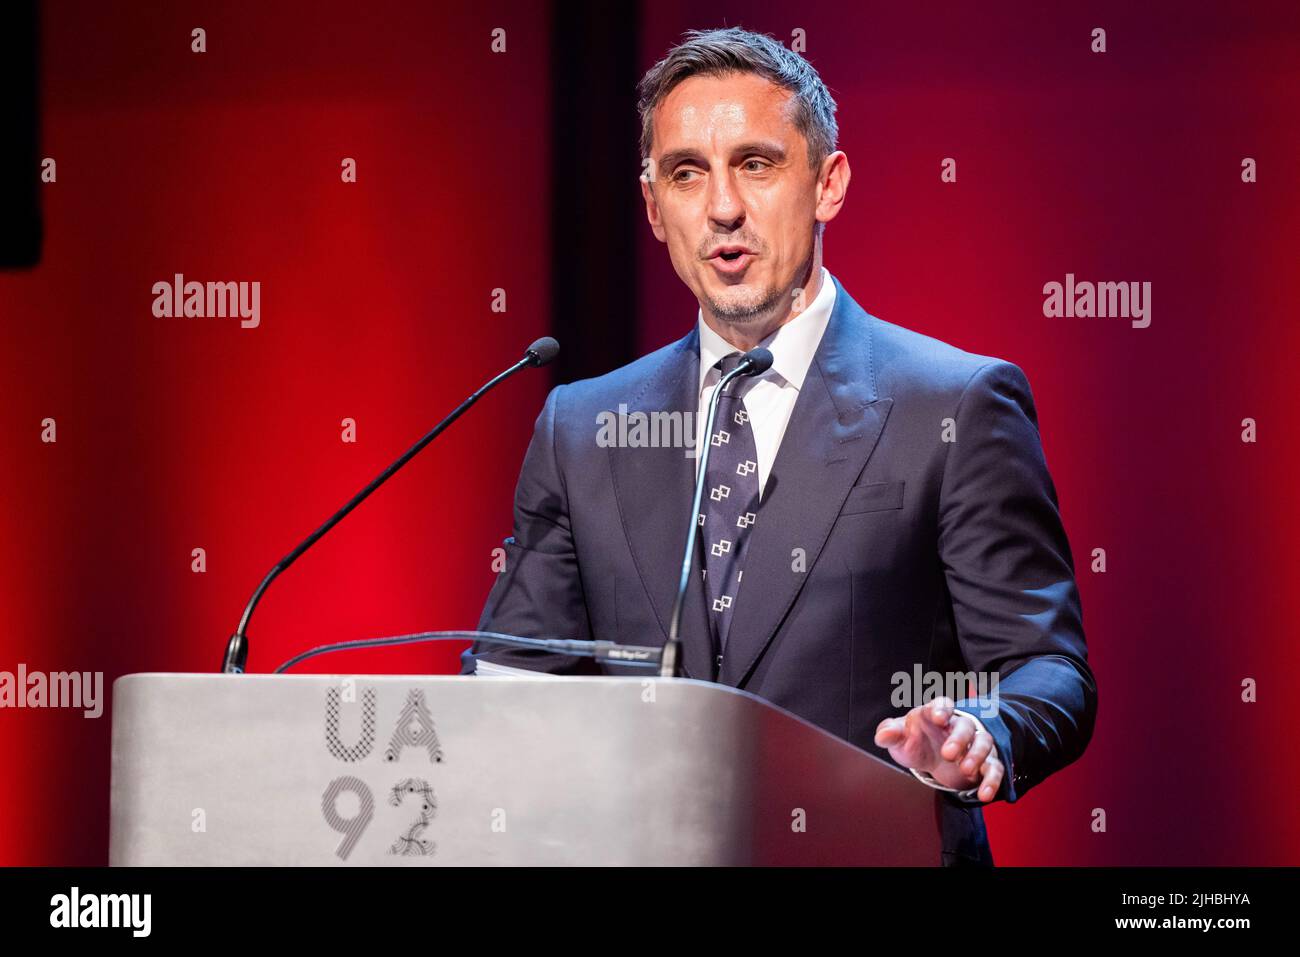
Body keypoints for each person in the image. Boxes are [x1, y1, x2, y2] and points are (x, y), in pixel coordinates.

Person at [462, 26, 1096, 866]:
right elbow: (513, 686)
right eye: (687, 173)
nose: (722, 206)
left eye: (756, 164)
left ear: (827, 184)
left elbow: (1048, 669)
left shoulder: (955, 403)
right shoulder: (582, 427)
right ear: (654, 208)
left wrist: (985, 731)